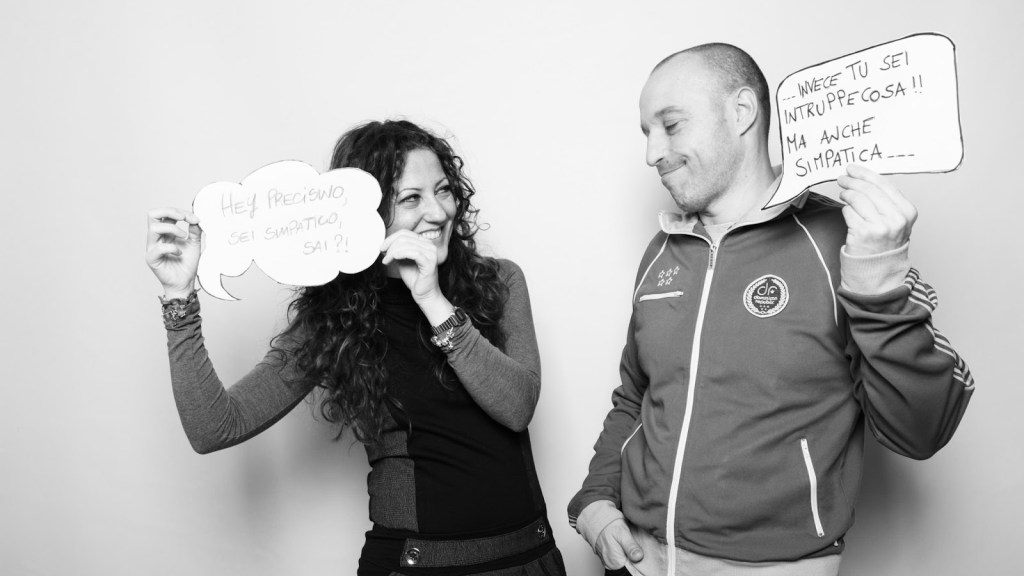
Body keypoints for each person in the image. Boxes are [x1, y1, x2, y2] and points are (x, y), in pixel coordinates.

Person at [568, 44, 974, 576]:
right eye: (647, 132)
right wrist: (596, 500)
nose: (652, 153)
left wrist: (879, 284)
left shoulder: (844, 242)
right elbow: (636, 394)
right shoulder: (662, 250)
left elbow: (922, 430)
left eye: (671, 125)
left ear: (741, 112)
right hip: (638, 558)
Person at [146, 120, 566, 576]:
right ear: (367, 214)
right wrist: (179, 299)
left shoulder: (499, 282)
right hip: (416, 565)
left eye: (443, 190)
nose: (439, 212)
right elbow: (214, 427)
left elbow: (517, 407)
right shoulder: (333, 321)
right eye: (411, 199)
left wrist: (433, 301)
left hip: (531, 558)